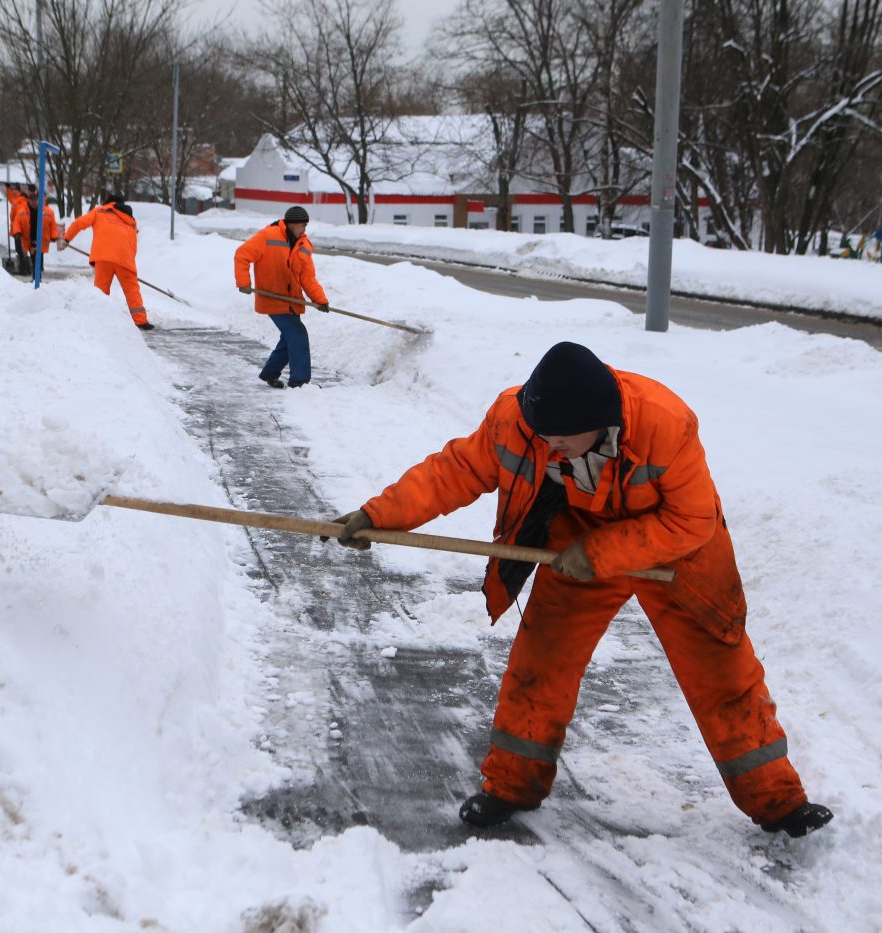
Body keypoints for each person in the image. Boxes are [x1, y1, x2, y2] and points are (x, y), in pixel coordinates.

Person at [328, 341, 834, 838]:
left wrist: (601, 555)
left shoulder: (665, 422)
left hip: (678, 550)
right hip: (578, 536)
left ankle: (780, 803)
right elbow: (454, 471)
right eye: (543, 436)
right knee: (541, 661)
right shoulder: (518, 418)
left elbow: (692, 519)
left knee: (722, 673)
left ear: (601, 421)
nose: (549, 447)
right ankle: (510, 786)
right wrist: (378, 515)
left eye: (563, 439)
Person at [233, 205, 329, 388]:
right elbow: (242, 255)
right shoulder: (268, 236)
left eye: (305, 226)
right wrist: (243, 282)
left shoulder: (304, 245)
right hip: (272, 297)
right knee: (298, 334)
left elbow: (307, 277)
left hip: (292, 301)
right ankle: (300, 382)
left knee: (289, 338)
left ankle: (270, 373)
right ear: (291, 224)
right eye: (302, 225)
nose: (304, 229)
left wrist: (320, 299)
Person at [59, 193, 152, 331]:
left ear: (108, 202)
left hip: (103, 258)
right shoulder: (130, 220)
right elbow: (133, 244)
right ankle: (141, 321)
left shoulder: (99, 211)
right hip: (125, 259)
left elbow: (79, 223)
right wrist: (128, 262)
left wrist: (66, 239)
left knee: (100, 291)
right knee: (132, 291)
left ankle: (98, 317)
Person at [7, 184, 31, 276]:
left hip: (20, 227)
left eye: (14, 189)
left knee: (21, 249)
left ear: (18, 190)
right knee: (20, 249)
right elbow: (10, 199)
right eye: (12, 190)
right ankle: (26, 268)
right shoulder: (15, 199)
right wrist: (8, 189)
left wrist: (18, 228)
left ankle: (24, 269)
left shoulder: (21, 200)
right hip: (16, 226)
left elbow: (20, 214)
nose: (13, 191)